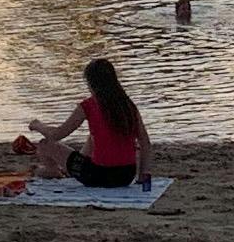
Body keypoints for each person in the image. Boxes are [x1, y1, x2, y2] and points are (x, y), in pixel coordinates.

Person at [20, 56, 151, 189]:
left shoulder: (89, 105)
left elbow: (57, 134)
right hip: (126, 176)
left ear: (91, 83)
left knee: (45, 144)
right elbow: (145, 142)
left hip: (97, 175)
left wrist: (38, 125)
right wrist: (142, 176)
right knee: (94, 136)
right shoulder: (127, 105)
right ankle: (67, 169)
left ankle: (51, 170)